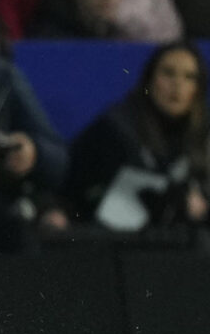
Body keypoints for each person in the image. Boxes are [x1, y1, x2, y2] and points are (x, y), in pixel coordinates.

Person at [65, 42, 210, 235]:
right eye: (168, 73)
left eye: (189, 77)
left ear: (199, 89)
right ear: (149, 80)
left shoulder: (204, 135)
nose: (178, 84)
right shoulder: (114, 129)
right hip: (112, 239)